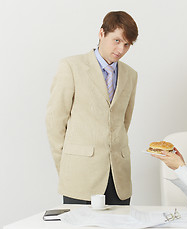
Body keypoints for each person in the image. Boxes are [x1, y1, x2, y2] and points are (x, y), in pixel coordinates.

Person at [46, 11, 138, 205]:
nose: (121, 49)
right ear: (101, 33)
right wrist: (65, 167)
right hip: (80, 176)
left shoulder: (130, 75)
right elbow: (55, 121)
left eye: (127, 44)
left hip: (118, 179)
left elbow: (123, 122)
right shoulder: (71, 66)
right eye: (117, 40)